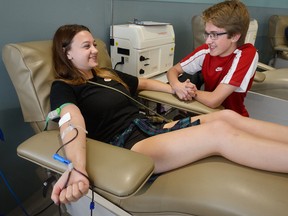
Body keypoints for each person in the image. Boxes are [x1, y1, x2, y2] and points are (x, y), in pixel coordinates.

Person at [50, 24, 288, 206]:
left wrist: (176, 88)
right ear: (67, 53)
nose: (94, 51)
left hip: (149, 128)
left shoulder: (106, 74)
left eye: (94, 44)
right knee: (219, 133)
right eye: (86, 47)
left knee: (226, 117)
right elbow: (71, 121)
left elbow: (143, 83)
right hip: (129, 146)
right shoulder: (64, 86)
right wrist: (78, 168)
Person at [167, 0, 258, 117]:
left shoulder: (247, 53)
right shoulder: (206, 51)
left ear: (234, 36)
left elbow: (214, 100)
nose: (208, 41)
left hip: (232, 120)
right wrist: (177, 85)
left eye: (214, 35)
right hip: (206, 114)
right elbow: (173, 70)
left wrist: (188, 91)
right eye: (207, 34)